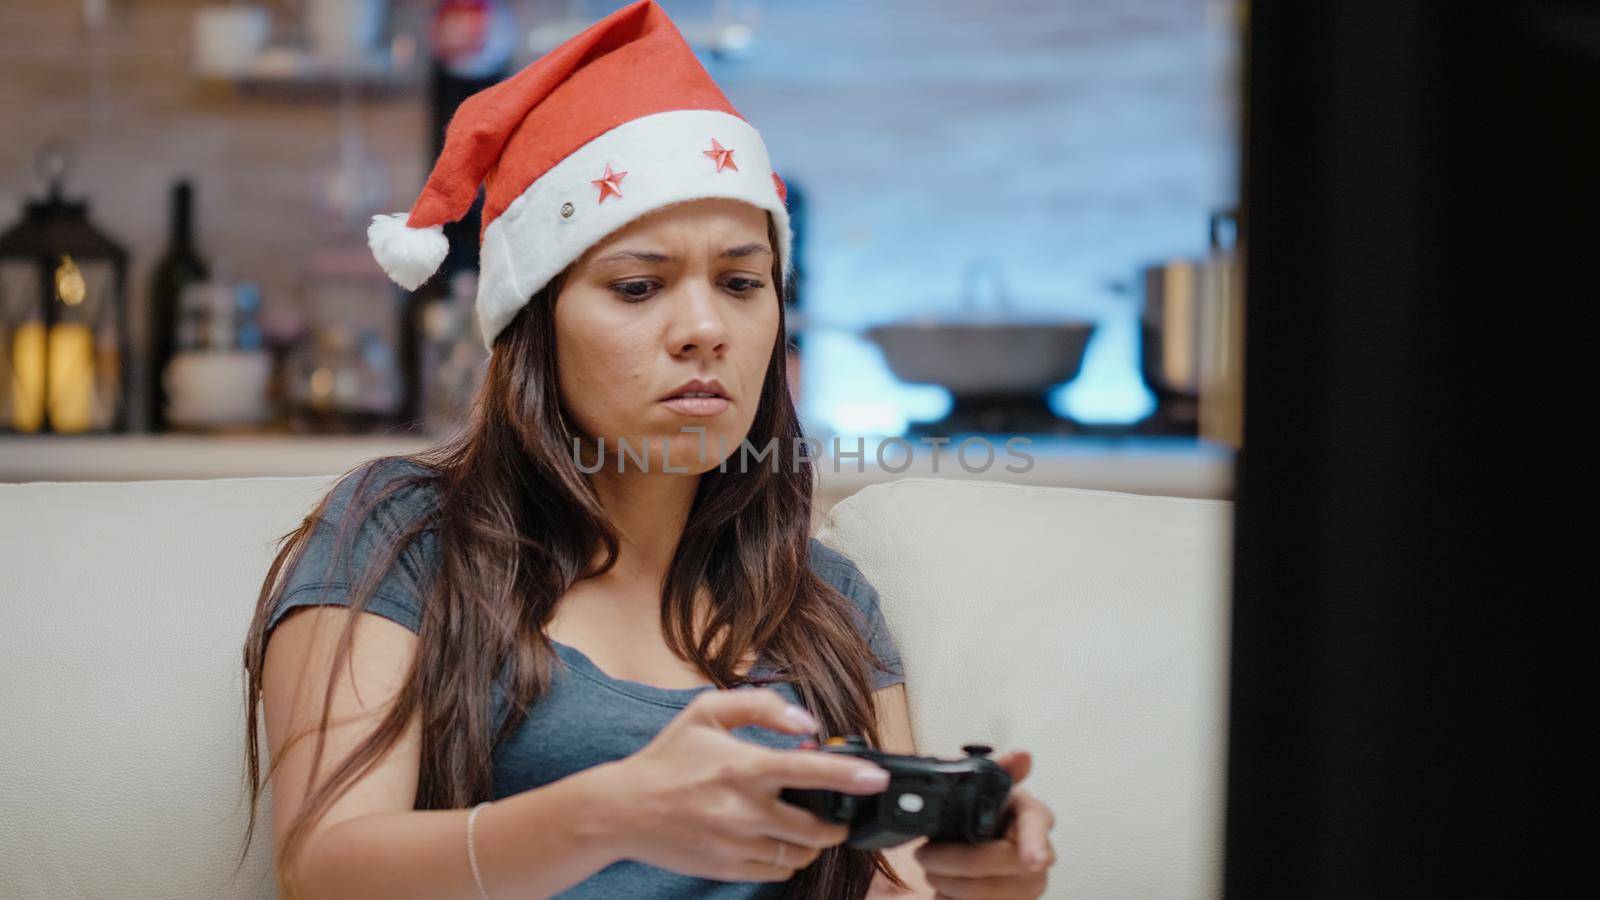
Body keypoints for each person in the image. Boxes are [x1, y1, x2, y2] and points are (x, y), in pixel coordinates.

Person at [238, 2, 1056, 898]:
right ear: (534, 326)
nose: (705, 329)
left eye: (743, 283)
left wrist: (978, 890)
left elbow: (892, 888)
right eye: (638, 286)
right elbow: (324, 868)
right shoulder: (402, 536)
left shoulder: (824, 612)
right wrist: (612, 814)